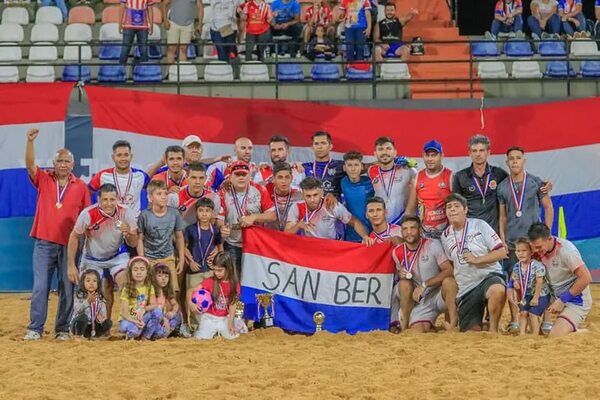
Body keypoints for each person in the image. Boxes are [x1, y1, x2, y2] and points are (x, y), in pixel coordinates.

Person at [23, 128, 91, 341]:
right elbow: (30, 164)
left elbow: (86, 218)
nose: (63, 164)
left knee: (67, 289)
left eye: (67, 161)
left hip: (69, 245)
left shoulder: (81, 186)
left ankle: (61, 329)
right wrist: (30, 142)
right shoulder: (44, 178)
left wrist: (84, 245)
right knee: (40, 287)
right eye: (59, 160)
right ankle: (35, 328)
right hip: (44, 243)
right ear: (54, 163)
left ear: (73, 164)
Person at [497, 146, 554, 332]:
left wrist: (547, 234)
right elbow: (502, 217)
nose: (514, 161)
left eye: (518, 158)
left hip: (534, 243)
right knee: (516, 282)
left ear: (524, 161)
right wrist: (503, 240)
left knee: (542, 280)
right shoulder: (502, 187)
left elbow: (548, 207)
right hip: (514, 244)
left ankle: (546, 318)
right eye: (511, 158)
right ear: (507, 162)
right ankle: (515, 319)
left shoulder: (537, 182)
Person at [67, 183, 139, 322]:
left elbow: (134, 242)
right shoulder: (88, 214)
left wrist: (129, 233)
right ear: (98, 200)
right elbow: (74, 236)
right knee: (91, 290)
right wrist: (71, 265)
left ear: (117, 199)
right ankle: (95, 324)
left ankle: (131, 321)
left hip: (117, 256)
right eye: (105, 200)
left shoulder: (125, 212)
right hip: (92, 259)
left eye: (112, 199)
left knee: (127, 285)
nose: (109, 203)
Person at [440, 193, 507, 333]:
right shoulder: (445, 236)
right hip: (467, 287)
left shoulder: (479, 225)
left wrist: (478, 260)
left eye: (456, 206)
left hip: (487, 276)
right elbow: (454, 262)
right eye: (449, 207)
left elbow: (502, 252)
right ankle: (476, 323)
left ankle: (494, 329)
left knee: (498, 290)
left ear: (465, 210)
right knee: (472, 332)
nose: (452, 209)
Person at [392, 215, 458, 332]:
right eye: (405, 229)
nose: (409, 232)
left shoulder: (432, 245)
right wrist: (400, 273)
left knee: (449, 282)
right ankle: (406, 327)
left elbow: (449, 270)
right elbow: (399, 271)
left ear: (420, 230)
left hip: (438, 294)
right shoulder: (397, 252)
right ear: (401, 231)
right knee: (418, 330)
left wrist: (425, 284)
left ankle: (453, 325)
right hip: (422, 300)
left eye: (412, 228)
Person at [528, 223, 592, 338]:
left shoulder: (567, 251)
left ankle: (576, 330)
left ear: (549, 239)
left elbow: (586, 278)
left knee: (555, 337)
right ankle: (567, 326)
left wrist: (563, 300)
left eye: (539, 247)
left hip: (576, 300)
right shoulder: (538, 250)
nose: (536, 250)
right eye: (533, 247)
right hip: (554, 295)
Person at [219, 161, 277, 277]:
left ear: (249, 176)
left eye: (244, 174)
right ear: (230, 177)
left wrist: (255, 217)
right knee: (235, 281)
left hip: (255, 244)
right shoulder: (223, 193)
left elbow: (273, 215)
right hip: (232, 244)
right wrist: (221, 228)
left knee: (255, 279)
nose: (241, 177)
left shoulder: (260, 190)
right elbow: (219, 218)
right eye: (237, 174)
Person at [285, 177, 373, 245]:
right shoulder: (296, 207)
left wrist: (365, 237)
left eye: (315, 195)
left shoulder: (331, 205)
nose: (312, 199)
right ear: (303, 195)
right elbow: (286, 234)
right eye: (308, 196)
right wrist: (298, 226)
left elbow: (354, 222)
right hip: (310, 248)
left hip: (330, 247)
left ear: (322, 193)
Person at [182, 197, 224, 337]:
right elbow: (184, 248)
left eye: (207, 211)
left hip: (210, 271)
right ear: (196, 213)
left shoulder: (216, 230)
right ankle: (195, 327)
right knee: (194, 299)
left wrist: (218, 254)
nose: (204, 214)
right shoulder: (190, 229)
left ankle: (210, 327)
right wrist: (190, 261)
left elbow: (220, 248)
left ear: (213, 213)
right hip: (194, 271)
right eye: (201, 211)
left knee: (211, 299)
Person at [137, 180, 186, 296]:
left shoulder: (174, 213)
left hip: (168, 258)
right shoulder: (144, 215)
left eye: (165, 194)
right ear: (150, 197)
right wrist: (143, 260)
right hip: (150, 259)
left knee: (172, 294)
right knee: (150, 294)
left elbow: (179, 237)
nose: (163, 197)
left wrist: (182, 259)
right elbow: (140, 239)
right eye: (159, 194)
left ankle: (171, 314)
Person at [406, 140, 452, 240]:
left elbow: (457, 208)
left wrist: (456, 235)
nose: (430, 159)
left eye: (434, 155)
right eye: (427, 155)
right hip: (425, 235)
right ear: (423, 156)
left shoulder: (450, 176)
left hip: (447, 234)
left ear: (441, 156)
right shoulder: (417, 177)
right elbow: (410, 209)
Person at [89, 140, 150, 216]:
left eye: (126, 155)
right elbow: (87, 192)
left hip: (134, 224)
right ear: (113, 157)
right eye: (119, 155)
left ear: (131, 156)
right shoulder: (102, 175)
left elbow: (155, 188)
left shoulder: (140, 175)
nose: (123, 158)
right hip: (109, 223)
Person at [367, 136, 416, 225]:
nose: (384, 152)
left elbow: (421, 184)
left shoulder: (407, 170)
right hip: (381, 224)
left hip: (402, 223)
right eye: (380, 149)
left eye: (388, 148)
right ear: (375, 154)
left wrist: (411, 162)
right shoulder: (371, 170)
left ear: (395, 152)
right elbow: (357, 167)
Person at [193, 252, 241, 340]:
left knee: (234, 337)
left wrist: (230, 323)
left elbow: (232, 305)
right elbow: (190, 291)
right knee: (202, 339)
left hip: (224, 318)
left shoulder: (234, 284)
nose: (216, 273)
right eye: (215, 270)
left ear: (229, 269)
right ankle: (200, 332)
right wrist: (190, 303)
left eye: (220, 270)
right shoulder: (210, 281)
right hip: (209, 317)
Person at [509, 238, 551, 335]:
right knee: (523, 313)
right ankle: (522, 334)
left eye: (524, 251)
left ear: (531, 252)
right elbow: (516, 280)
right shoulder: (516, 267)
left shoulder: (537, 265)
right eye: (518, 251)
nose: (521, 253)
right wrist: (516, 284)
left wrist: (536, 297)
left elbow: (539, 282)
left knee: (533, 314)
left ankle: (534, 335)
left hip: (541, 294)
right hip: (526, 295)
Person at [118, 256, 162, 339]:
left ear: (147, 272)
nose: (139, 272)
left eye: (142, 269)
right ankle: (136, 332)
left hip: (143, 317)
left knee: (158, 318)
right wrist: (135, 321)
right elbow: (124, 313)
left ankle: (145, 336)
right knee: (133, 331)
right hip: (129, 319)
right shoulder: (126, 289)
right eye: (135, 269)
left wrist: (144, 309)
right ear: (130, 272)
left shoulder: (149, 287)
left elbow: (154, 305)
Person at [168, 162, 222, 227]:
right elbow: (169, 224)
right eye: (193, 178)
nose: (197, 182)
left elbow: (212, 223)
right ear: (186, 178)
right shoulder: (175, 197)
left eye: (201, 178)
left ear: (205, 178)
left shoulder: (214, 198)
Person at [340, 151, 374, 242]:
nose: (353, 168)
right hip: (351, 232)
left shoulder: (371, 182)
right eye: (350, 165)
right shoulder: (343, 182)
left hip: (371, 232)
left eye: (356, 165)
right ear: (344, 168)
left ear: (362, 166)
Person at [302, 131, 345, 199]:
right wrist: (294, 164)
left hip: (334, 207)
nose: (319, 147)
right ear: (312, 147)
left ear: (330, 146)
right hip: (313, 206)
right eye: (316, 144)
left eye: (323, 143)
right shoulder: (304, 167)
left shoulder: (341, 165)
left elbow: (359, 167)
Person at [70, 269, 111, 339]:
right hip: (79, 324)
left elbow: (103, 313)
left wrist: (101, 317)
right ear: (82, 282)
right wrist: (87, 302)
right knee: (83, 317)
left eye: (94, 281)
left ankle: (96, 335)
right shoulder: (78, 296)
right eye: (88, 281)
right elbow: (76, 310)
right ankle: (78, 335)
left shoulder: (100, 297)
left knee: (108, 322)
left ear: (98, 283)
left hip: (93, 325)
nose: (91, 283)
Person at [162, 0, 204, 65]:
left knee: (183, 49)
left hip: (188, 25)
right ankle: (170, 72)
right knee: (171, 48)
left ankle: (182, 72)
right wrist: (165, 20)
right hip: (173, 23)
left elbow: (200, 6)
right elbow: (164, 4)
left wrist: (200, 24)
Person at [266, 162, 304, 231]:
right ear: (273, 179)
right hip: (269, 236)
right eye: (280, 177)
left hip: (291, 236)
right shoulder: (265, 192)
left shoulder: (300, 195)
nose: (284, 181)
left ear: (292, 178)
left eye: (287, 177)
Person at [118, 0, 154, 65]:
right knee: (125, 49)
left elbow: (150, 8)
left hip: (143, 26)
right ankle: (121, 70)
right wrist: (120, 24)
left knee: (144, 50)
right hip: (128, 25)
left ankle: (144, 71)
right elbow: (122, 7)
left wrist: (151, 25)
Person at [152, 263, 182, 338]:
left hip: (164, 318)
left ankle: (168, 331)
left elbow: (175, 304)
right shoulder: (151, 291)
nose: (163, 279)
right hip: (155, 318)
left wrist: (173, 312)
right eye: (160, 276)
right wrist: (164, 319)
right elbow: (153, 311)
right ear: (153, 277)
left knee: (178, 315)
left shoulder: (166, 291)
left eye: (166, 276)